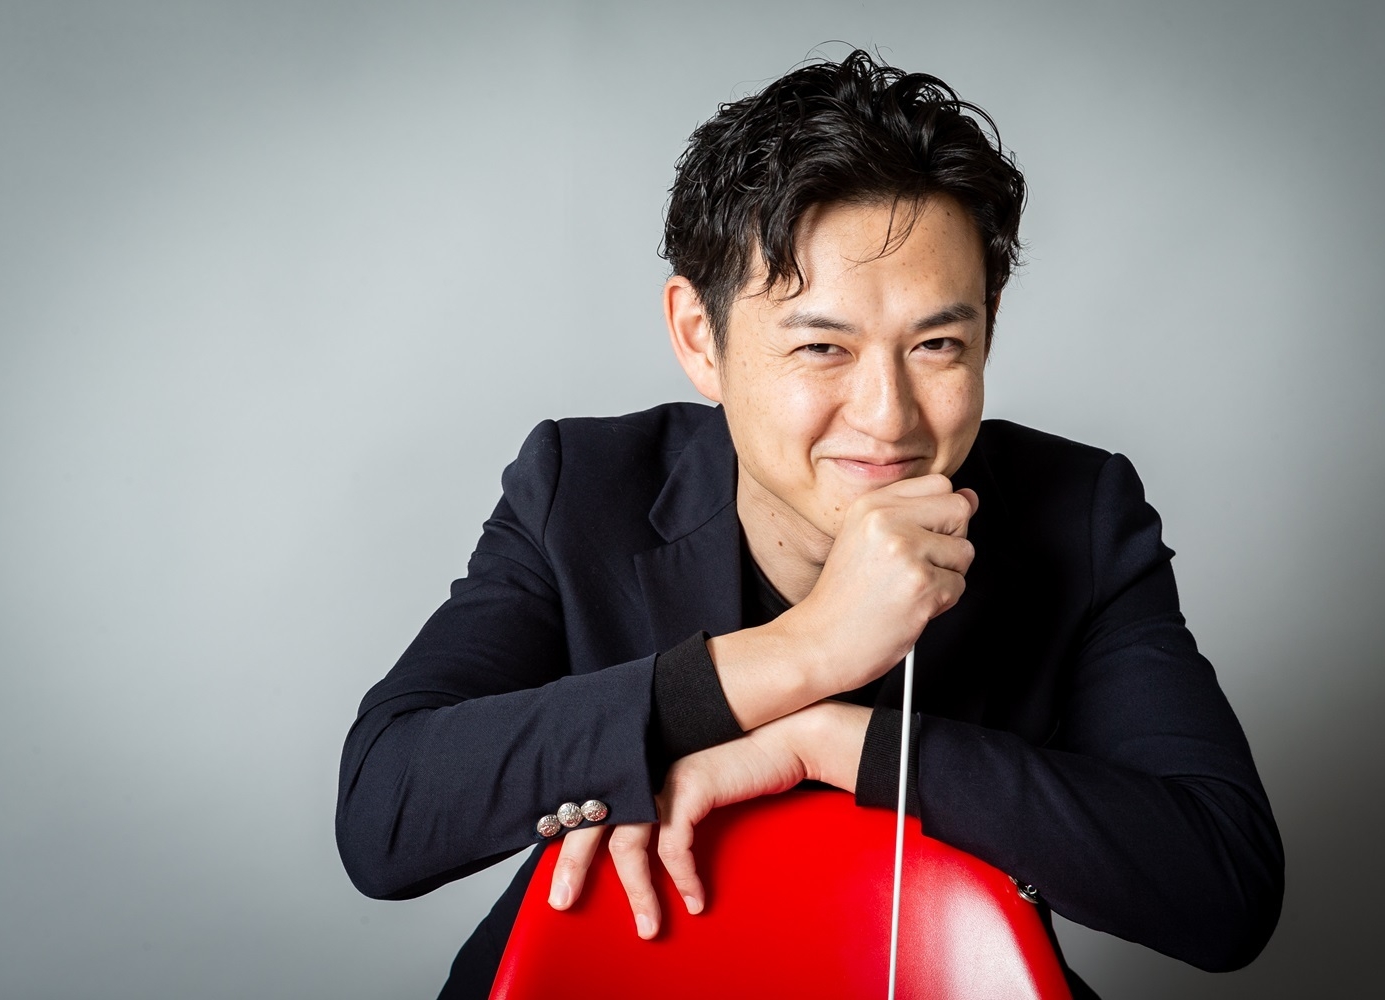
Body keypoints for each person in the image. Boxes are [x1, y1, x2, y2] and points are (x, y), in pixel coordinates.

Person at [335, 50, 1285, 999]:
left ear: (989, 325)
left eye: (938, 344)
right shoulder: (581, 488)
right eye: (824, 346)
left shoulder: (1079, 512)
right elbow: (385, 812)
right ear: (699, 338)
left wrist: (830, 742)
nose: (889, 417)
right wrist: (804, 651)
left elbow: (1224, 892)